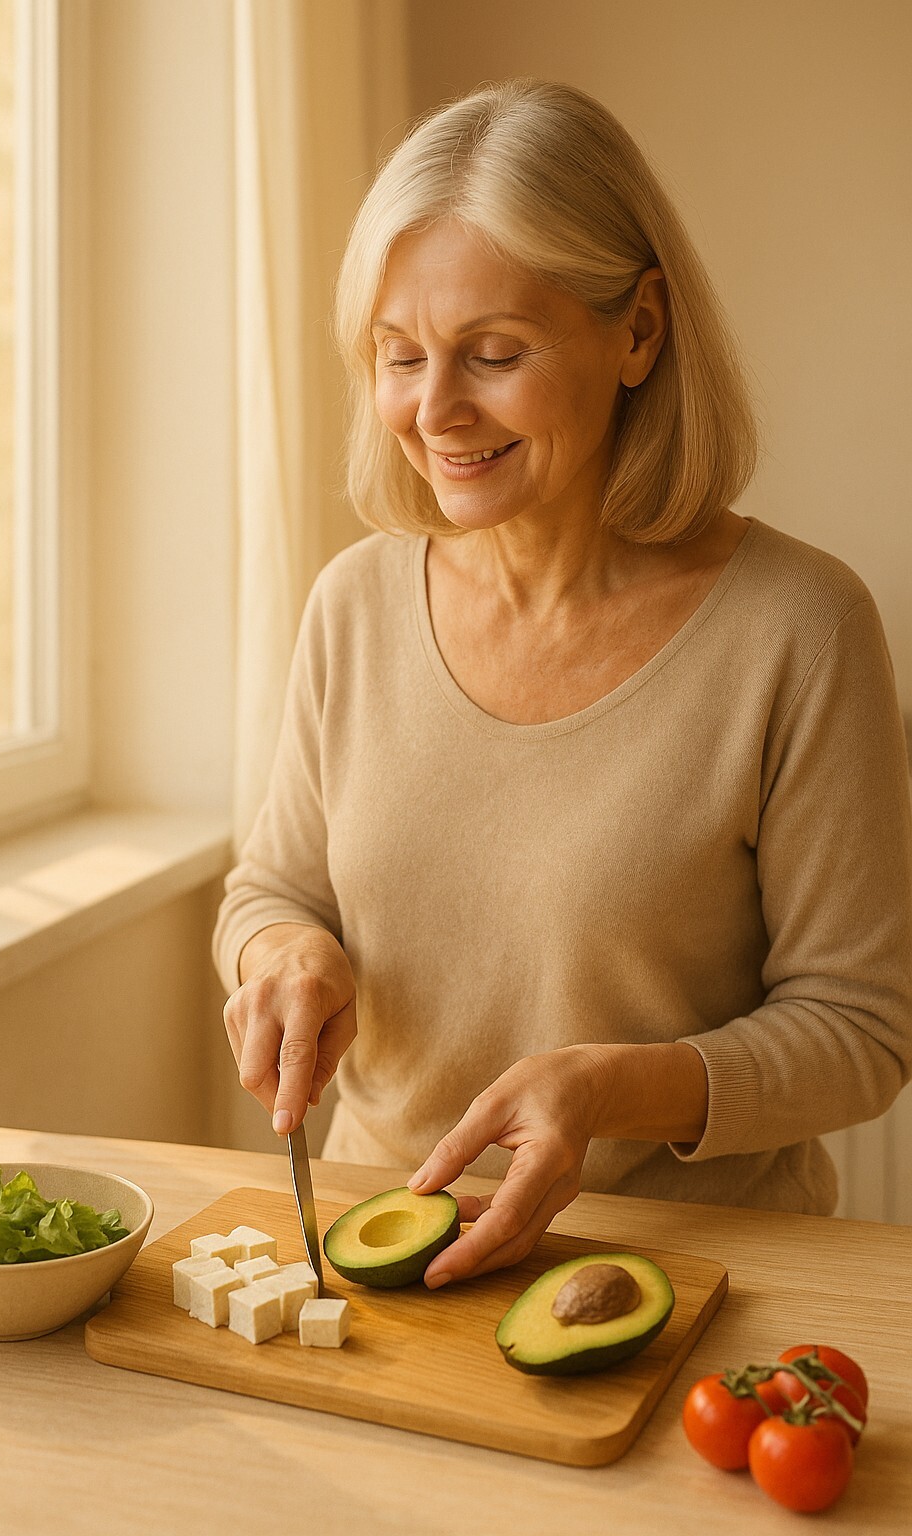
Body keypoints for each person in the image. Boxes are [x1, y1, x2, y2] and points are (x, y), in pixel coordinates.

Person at [214, 80, 912, 1289]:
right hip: (386, 1256)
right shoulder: (352, 606)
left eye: (494, 354)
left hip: (704, 1277)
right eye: (399, 358)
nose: (435, 412)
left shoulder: (800, 628)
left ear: (638, 330)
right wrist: (282, 953)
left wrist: (610, 1086)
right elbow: (271, 888)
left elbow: (861, 1030)